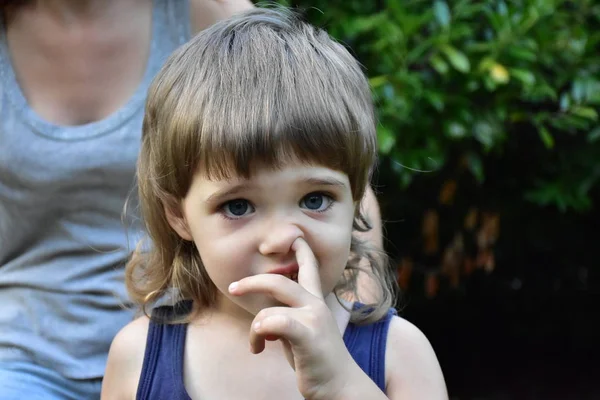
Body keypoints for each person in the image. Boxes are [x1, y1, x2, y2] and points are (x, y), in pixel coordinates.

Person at [101, 8, 448, 399]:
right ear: (178, 215)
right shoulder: (138, 356)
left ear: (355, 198)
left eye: (315, 199)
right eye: (238, 207)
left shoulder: (399, 354)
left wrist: (340, 384)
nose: (282, 237)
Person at [0, 0, 253, 398]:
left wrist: (356, 329)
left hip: (186, 340)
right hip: (23, 358)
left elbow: (325, 173)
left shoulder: (211, 14)